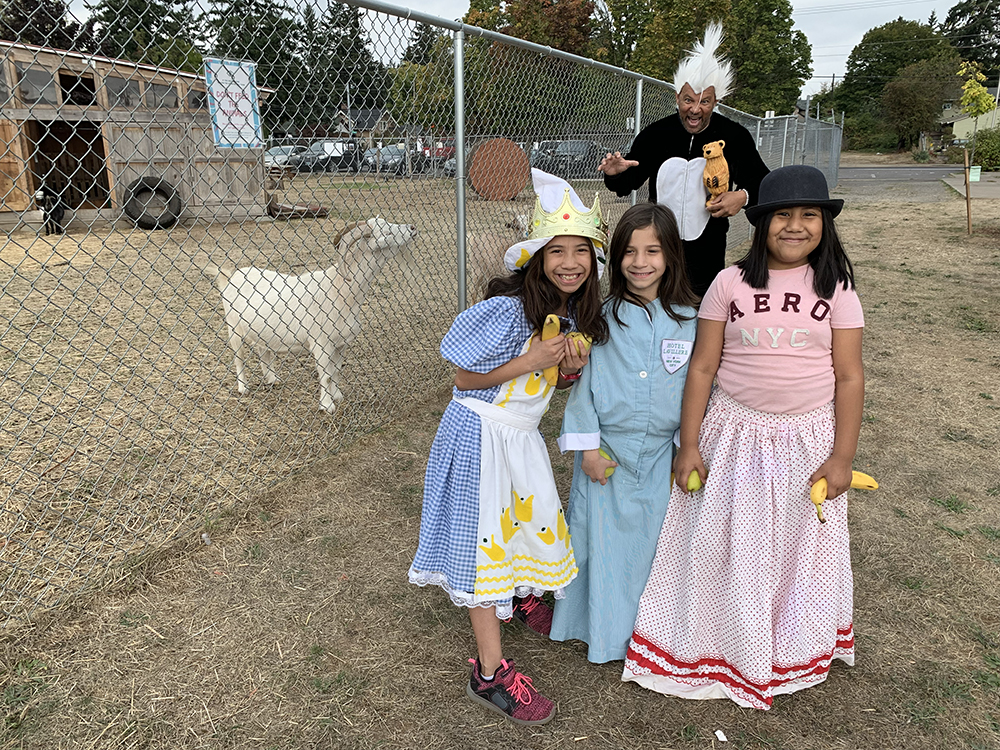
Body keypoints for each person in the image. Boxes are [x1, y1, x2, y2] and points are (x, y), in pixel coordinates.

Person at [623, 165, 865, 710]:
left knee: (794, 544)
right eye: (782, 215)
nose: (795, 226)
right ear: (760, 223)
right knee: (727, 540)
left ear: (825, 224)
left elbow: (849, 376)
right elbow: (703, 368)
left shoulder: (838, 290)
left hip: (806, 440)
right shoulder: (729, 283)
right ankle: (722, 640)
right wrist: (689, 444)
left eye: (809, 216)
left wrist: (842, 455)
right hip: (733, 434)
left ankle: (787, 639)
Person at [408, 169, 610, 726]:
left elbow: (544, 383)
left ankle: (517, 594)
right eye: (557, 251)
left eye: (582, 252)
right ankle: (489, 672)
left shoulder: (571, 311)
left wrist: (565, 371)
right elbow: (463, 377)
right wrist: (533, 361)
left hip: (517, 436)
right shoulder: (510, 307)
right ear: (537, 258)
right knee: (485, 541)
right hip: (480, 435)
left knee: (523, 521)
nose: (570, 262)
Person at [550, 203, 699, 663]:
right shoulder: (601, 317)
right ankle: (602, 631)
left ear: (671, 254)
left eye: (653, 250)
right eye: (629, 252)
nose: (640, 262)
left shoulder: (691, 319)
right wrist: (588, 450)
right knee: (603, 544)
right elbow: (584, 392)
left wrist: (686, 449)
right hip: (606, 455)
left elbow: (702, 386)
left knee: (654, 545)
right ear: (615, 260)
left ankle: (650, 632)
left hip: (662, 455)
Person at [599, 22, 769, 297]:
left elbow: (763, 182)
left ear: (716, 102)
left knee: (700, 310)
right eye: (688, 100)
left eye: (705, 102)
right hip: (658, 246)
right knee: (656, 303)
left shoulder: (734, 136)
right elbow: (625, 183)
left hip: (708, 250)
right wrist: (615, 173)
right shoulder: (656, 134)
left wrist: (743, 197)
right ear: (677, 97)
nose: (695, 109)